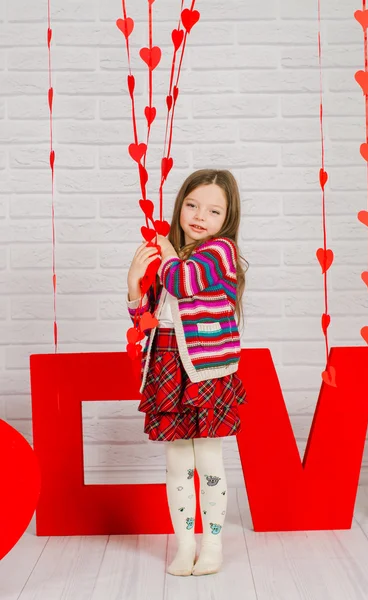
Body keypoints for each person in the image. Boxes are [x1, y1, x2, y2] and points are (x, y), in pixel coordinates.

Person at [126, 169, 249, 577]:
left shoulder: (219, 253)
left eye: (214, 210)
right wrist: (132, 288)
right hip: (167, 363)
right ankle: (185, 544)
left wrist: (164, 256)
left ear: (226, 219)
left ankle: (212, 546)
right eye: (192, 205)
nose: (200, 216)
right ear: (180, 205)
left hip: (206, 368)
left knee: (209, 457)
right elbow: (145, 320)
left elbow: (181, 282)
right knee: (177, 461)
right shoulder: (172, 256)